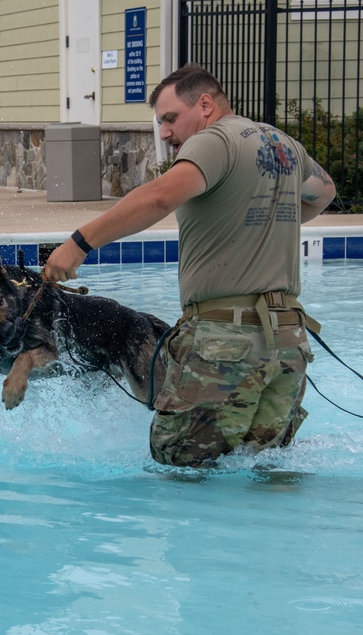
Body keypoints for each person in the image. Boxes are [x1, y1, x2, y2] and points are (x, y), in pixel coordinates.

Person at [43, 64, 337, 467]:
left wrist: (79, 244)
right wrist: (266, 219)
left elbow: (159, 197)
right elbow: (324, 191)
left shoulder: (213, 140)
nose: (165, 133)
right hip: (288, 341)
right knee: (264, 469)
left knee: (177, 464)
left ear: (205, 105)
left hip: (226, 341)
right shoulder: (281, 142)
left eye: (170, 118)